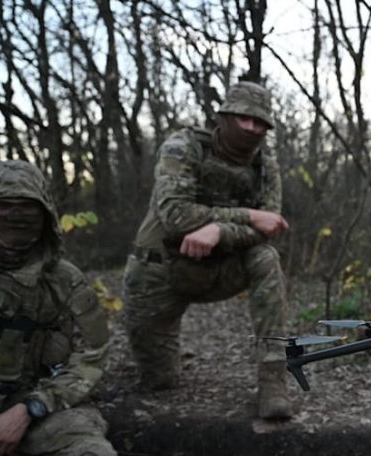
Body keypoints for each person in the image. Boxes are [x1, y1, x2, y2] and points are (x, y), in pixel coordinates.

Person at [0, 160, 142, 456]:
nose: (16, 216)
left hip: (29, 405)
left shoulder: (63, 281)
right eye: (4, 206)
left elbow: (91, 357)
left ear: (45, 213)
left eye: (28, 207)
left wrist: (29, 408)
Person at [123, 80, 292, 419]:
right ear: (225, 117)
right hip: (160, 272)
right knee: (160, 381)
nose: (252, 128)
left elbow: (270, 227)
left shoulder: (265, 166)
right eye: (245, 119)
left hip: (222, 268)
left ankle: (274, 380)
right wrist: (246, 216)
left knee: (266, 258)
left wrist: (218, 230)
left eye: (261, 123)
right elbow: (175, 216)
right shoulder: (183, 147)